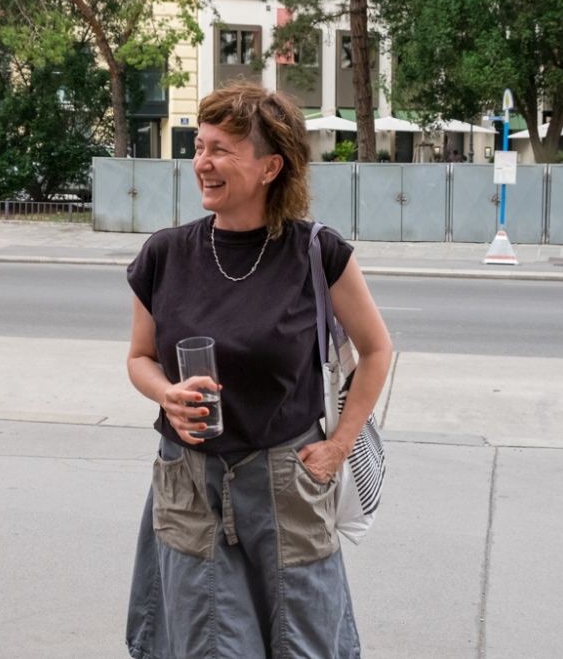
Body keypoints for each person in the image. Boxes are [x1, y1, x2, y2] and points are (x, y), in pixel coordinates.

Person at [124, 81, 392, 658]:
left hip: (286, 483)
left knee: (303, 643)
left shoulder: (316, 252)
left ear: (271, 167)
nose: (202, 163)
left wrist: (339, 446)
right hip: (190, 482)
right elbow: (140, 358)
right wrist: (166, 394)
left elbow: (376, 351)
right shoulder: (165, 254)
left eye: (221, 150)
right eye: (199, 147)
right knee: (209, 646)